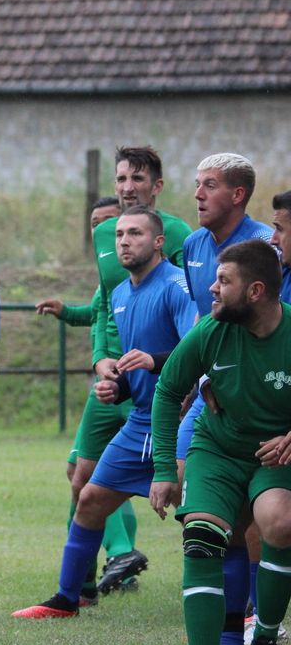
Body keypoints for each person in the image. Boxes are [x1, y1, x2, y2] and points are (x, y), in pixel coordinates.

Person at [14, 206, 196, 620]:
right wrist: (119, 387)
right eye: (119, 236)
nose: (124, 241)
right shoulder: (119, 294)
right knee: (90, 498)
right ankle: (70, 598)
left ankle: (245, 609)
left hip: (180, 421)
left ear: (159, 241)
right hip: (140, 419)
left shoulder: (175, 285)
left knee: (204, 515)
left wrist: (153, 360)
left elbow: (196, 352)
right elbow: (139, 368)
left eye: (134, 233)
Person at [150, 239, 291, 645]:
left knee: (280, 522)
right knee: (202, 537)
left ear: (255, 291)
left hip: (275, 457)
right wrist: (164, 468)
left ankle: (264, 639)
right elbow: (169, 390)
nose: (211, 288)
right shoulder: (211, 330)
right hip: (218, 448)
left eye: (223, 281)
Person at [175, 153, 272, 645]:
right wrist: (200, 381)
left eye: (208, 185)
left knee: (260, 520)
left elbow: (268, 329)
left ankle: (260, 634)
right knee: (207, 515)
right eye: (196, 185)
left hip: (261, 403)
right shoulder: (192, 245)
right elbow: (204, 323)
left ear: (237, 194)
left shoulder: (263, 249)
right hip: (210, 396)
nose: (197, 195)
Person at [81, 145, 194, 593]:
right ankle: (89, 581)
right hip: (117, 377)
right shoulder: (105, 232)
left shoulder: (182, 233)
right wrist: (100, 359)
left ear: (157, 186)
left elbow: (185, 303)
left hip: (161, 384)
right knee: (81, 474)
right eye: (121, 179)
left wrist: (160, 364)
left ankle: (234, 588)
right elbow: (105, 302)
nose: (128, 188)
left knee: (185, 488)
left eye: (138, 179)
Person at [35, 196, 137, 605]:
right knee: (79, 474)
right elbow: (97, 316)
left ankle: (117, 556)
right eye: (97, 226)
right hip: (106, 384)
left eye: (113, 225)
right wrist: (66, 312)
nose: (109, 237)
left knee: (99, 479)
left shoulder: (147, 280)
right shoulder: (107, 283)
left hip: (131, 386)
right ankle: (89, 579)